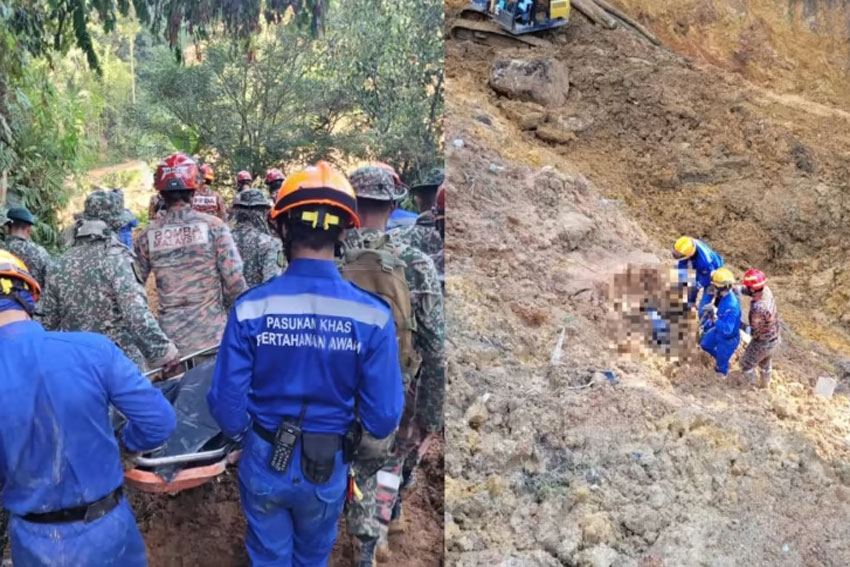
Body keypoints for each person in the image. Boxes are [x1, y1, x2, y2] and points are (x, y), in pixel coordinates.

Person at [207, 161, 404, 567]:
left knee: (268, 556)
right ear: (344, 231)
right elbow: (384, 418)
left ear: (281, 228)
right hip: (327, 465)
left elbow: (225, 404)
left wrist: (254, 438)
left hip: (264, 458)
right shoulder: (372, 316)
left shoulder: (250, 309)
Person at [0, 249, 177, 567]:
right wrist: (126, 447)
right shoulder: (93, 349)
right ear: (29, 297)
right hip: (109, 530)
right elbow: (158, 421)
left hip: (34, 541)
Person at [343, 165, 445, 565]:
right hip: (396, 388)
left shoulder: (329, 255)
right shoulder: (415, 263)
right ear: (392, 204)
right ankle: (372, 542)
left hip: (335, 389)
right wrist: (431, 413)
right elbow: (436, 349)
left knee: (348, 465)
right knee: (389, 459)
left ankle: (355, 516)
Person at [41, 189, 180, 372]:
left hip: (76, 367)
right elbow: (136, 314)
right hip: (119, 367)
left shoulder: (60, 263)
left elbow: (46, 323)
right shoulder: (117, 259)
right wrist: (163, 352)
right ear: (115, 223)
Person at [135, 152, 246, 356]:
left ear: (161, 193)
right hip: (213, 340)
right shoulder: (214, 227)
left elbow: (134, 291)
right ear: (193, 189)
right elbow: (235, 282)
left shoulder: (147, 235)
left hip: (172, 347)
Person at [231, 188, 284, 287]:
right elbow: (272, 284)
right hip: (256, 301)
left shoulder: (223, 239)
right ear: (262, 212)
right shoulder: (270, 243)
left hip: (227, 302)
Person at [739, 269, 780, 387]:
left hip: (762, 342)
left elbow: (753, 331)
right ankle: (765, 384)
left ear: (752, 289)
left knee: (746, 364)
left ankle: (751, 387)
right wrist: (737, 289)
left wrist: (739, 325)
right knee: (765, 363)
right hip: (774, 337)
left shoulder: (759, 309)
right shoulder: (766, 290)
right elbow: (752, 290)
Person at [699, 267, 741, 378]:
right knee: (705, 344)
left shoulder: (731, 306)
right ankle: (721, 358)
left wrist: (714, 317)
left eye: (714, 286)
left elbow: (727, 330)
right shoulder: (724, 297)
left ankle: (723, 368)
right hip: (718, 331)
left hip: (728, 339)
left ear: (720, 288)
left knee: (720, 368)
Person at [0, 206, 52, 288]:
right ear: (29, 230)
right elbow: (50, 281)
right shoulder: (40, 253)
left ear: (8, 228)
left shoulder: (1, 249)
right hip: (31, 299)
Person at [672, 236, 723, 305]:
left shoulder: (705, 262)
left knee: (700, 292)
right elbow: (682, 264)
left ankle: (715, 300)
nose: (677, 255)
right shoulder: (688, 245)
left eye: (679, 255)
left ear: (690, 254)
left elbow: (708, 277)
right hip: (699, 264)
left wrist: (697, 286)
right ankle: (688, 303)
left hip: (712, 271)